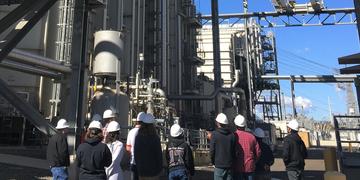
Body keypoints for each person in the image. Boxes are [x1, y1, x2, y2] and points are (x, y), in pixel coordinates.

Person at [134, 113, 163, 180]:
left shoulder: (138, 137)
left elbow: (136, 154)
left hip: (142, 171)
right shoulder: (155, 138)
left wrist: (139, 168)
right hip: (153, 171)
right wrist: (160, 169)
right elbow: (158, 155)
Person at [233, 114, 261, 180]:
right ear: (245, 125)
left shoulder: (233, 136)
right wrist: (254, 161)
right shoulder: (251, 136)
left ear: (235, 125)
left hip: (237, 167)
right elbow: (258, 152)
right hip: (250, 166)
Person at [210, 113, 236, 180]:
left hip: (219, 165)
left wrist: (213, 162)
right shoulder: (232, 135)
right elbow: (234, 151)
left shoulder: (214, 134)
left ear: (218, 123)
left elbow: (212, 151)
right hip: (229, 165)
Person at [126, 112, 145, 180]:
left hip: (133, 162)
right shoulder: (146, 133)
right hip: (144, 162)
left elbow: (128, 148)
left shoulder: (131, 132)